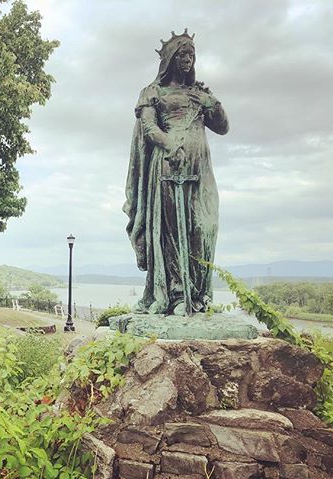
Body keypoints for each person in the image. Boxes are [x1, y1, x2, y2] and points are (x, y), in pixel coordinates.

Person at [123, 29, 229, 315]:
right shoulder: (153, 92)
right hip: (168, 165)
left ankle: (200, 294)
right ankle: (177, 294)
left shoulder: (199, 94)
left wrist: (212, 102)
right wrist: (170, 144)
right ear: (171, 59)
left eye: (192, 55)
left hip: (201, 169)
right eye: (183, 54)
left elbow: (223, 127)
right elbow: (148, 128)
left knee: (203, 227)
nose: (188, 59)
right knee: (171, 230)